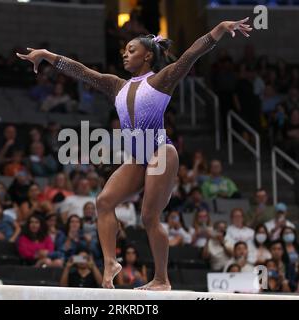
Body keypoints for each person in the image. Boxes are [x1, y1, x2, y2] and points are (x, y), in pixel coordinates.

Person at [17, 17, 253, 290]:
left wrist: (220, 30)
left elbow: (191, 54)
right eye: (124, 51)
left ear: (148, 56)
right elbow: (81, 72)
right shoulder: (116, 85)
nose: (125, 55)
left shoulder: (162, 79)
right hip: (139, 157)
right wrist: (47, 55)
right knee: (104, 201)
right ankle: (109, 262)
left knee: (148, 217)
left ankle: (162, 279)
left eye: (131, 51)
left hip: (160, 153)